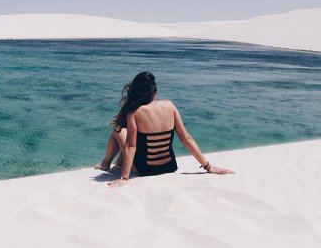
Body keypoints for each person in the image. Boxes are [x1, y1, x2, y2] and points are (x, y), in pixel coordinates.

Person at [95, 71, 234, 187]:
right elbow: (186, 139)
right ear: (154, 92)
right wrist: (208, 167)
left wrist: (124, 178)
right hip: (169, 166)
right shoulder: (170, 105)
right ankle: (117, 162)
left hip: (145, 169)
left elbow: (131, 146)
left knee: (118, 129)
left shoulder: (134, 113)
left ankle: (106, 164)